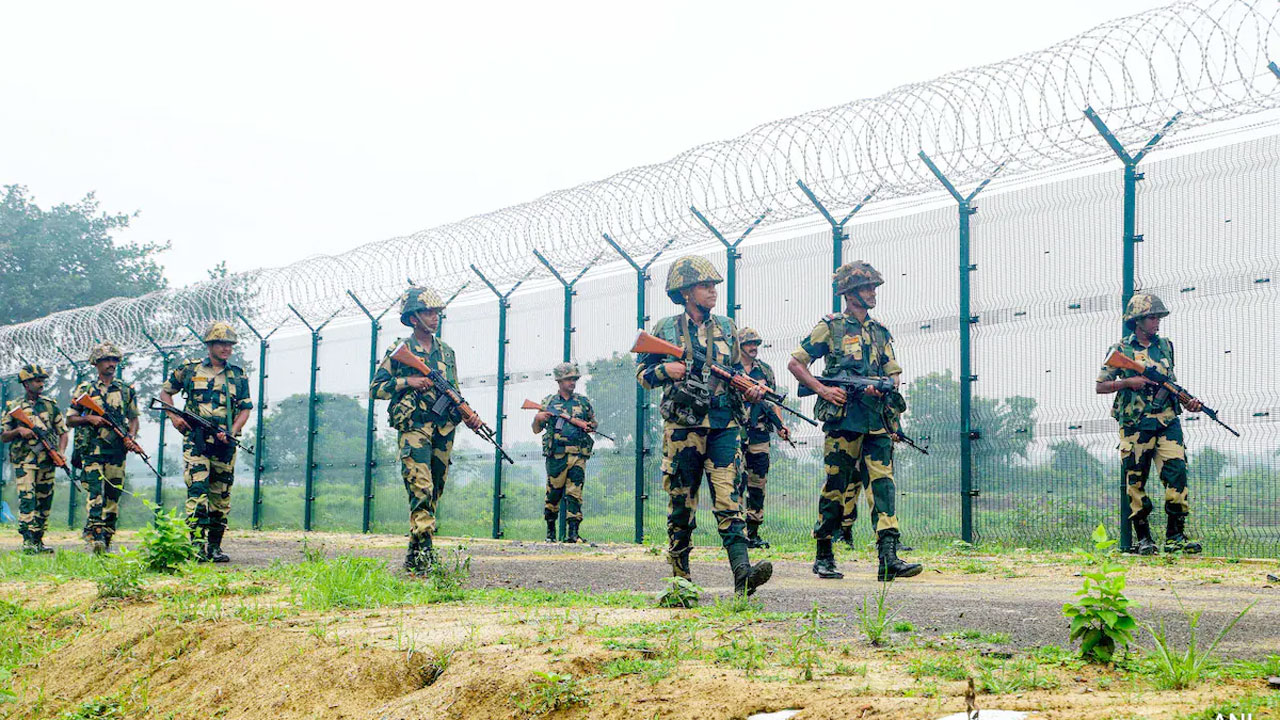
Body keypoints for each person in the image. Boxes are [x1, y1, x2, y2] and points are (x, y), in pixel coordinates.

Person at [636, 255, 772, 596]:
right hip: (683, 428)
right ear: (685, 292)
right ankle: (681, 582)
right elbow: (643, 376)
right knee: (681, 503)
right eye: (704, 285)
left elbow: (735, 372)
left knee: (729, 500)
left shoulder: (727, 328)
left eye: (713, 286)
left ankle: (743, 575)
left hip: (724, 426)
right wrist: (666, 371)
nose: (712, 291)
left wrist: (752, 388)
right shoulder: (665, 330)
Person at [787, 261, 921, 581]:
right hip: (844, 420)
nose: (873, 293)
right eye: (866, 288)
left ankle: (888, 557)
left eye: (874, 287)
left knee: (883, 484)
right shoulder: (831, 327)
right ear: (849, 293)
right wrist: (823, 389)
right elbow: (796, 362)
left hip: (877, 420)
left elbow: (894, 371)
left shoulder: (879, 331)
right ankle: (824, 553)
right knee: (836, 486)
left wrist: (887, 385)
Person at [371, 287, 480, 574]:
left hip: (443, 429)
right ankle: (426, 556)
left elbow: (453, 389)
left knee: (435, 491)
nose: (435, 318)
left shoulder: (447, 352)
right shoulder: (399, 351)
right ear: (413, 318)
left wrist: (468, 414)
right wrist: (408, 382)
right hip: (414, 427)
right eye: (429, 313)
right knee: (421, 486)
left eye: (437, 313)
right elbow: (376, 389)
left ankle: (413, 552)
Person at [1096, 292, 1202, 555]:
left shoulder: (1165, 346)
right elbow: (1100, 386)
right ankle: (1144, 539)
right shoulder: (1121, 349)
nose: (1157, 322)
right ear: (1138, 321)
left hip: (1167, 422)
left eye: (1158, 317)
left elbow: (1170, 381)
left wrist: (1187, 401)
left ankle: (1175, 537)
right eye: (1152, 317)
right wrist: (1127, 382)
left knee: (1177, 476)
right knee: (1136, 480)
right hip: (1136, 425)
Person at [160, 322, 252, 563]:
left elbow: (245, 409)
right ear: (209, 345)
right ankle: (197, 546)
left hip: (224, 444)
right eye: (222, 343)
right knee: (197, 491)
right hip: (196, 441)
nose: (226, 349)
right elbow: (165, 393)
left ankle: (214, 547)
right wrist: (174, 417)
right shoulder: (189, 370)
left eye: (230, 345)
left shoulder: (238, 375)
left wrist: (231, 432)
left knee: (220, 496)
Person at [67, 342, 139, 554]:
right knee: (95, 495)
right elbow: (69, 419)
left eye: (114, 360)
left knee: (113, 495)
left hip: (116, 451)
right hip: (92, 450)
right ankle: (95, 536)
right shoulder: (85, 390)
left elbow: (133, 418)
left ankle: (106, 537)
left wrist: (131, 437)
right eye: (107, 360)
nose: (111, 364)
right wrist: (90, 418)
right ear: (96, 363)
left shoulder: (126, 390)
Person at [1, 365, 68, 554]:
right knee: (27, 499)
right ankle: (28, 540)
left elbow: (62, 432)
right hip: (25, 461)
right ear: (26, 383)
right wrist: (19, 431)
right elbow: (4, 435)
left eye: (42, 381)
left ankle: (39, 539)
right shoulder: (14, 407)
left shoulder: (49, 405)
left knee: (44, 500)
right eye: (37, 381)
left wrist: (61, 452)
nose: (41, 384)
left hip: (47, 460)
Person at [735, 327, 790, 549]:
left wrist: (781, 425)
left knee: (758, 483)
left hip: (759, 434)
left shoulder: (765, 371)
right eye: (749, 343)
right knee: (735, 482)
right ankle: (736, 534)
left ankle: (754, 532)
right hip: (736, 433)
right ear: (739, 345)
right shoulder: (730, 369)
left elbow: (773, 403)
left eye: (756, 343)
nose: (754, 347)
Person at [532, 361, 597, 544]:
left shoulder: (583, 402)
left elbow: (594, 423)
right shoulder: (548, 402)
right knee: (554, 493)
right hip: (557, 455)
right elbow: (536, 429)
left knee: (575, 494)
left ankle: (573, 534)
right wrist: (538, 418)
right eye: (568, 379)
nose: (572, 382)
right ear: (559, 381)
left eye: (574, 379)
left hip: (578, 454)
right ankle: (550, 533)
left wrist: (590, 427)